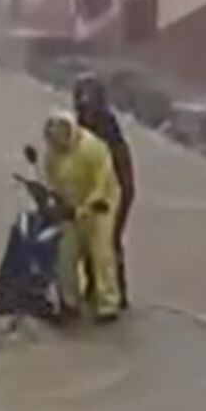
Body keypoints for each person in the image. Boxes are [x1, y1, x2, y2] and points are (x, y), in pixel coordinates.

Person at [42, 110, 122, 322]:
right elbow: (51, 178)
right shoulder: (52, 153)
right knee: (65, 253)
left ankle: (108, 303)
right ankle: (69, 301)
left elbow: (102, 182)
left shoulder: (93, 148)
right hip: (71, 206)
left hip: (99, 207)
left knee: (101, 254)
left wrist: (86, 208)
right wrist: (55, 201)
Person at [74, 73, 136, 309]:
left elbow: (120, 169)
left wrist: (119, 201)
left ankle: (117, 293)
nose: (83, 103)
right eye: (80, 97)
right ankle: (94, 287)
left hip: (117, 189)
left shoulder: (108, 130)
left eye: (88, 98)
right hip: (91, 189)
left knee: (109, 241)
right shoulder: (80, 125)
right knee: (88, 238)